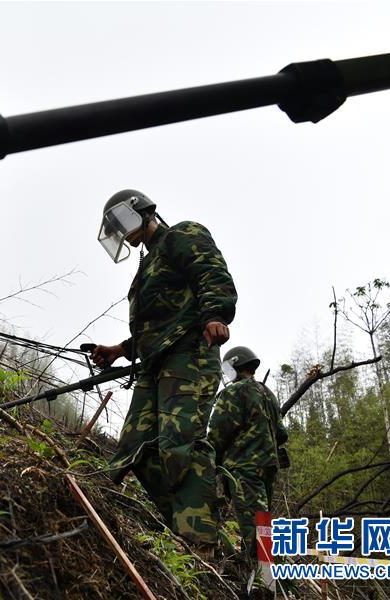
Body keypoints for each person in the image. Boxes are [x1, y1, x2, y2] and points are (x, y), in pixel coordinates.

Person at [91, 189, 237, 550]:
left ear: (143, 211)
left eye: (122, 222)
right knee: (134, 450)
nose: (123, 233)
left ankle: (200, 543)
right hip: (154, 365)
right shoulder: (147, 267)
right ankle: (184, 523)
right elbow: (154, 325)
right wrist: (120, 350)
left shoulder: (181, 236)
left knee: (179, 444)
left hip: (189, 353)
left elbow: (210, 271)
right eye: (116, 230)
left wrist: (216, 314)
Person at [208, 345, 289, 574]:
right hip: (268, 467)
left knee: (254, 526)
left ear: (234, 366)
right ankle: (263, 572)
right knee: (262, 521)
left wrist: (207, 460)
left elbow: (216, 433)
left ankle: (262, 579)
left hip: (243, 468)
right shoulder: (267, 393)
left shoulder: (233, 392)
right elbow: (282, 433)